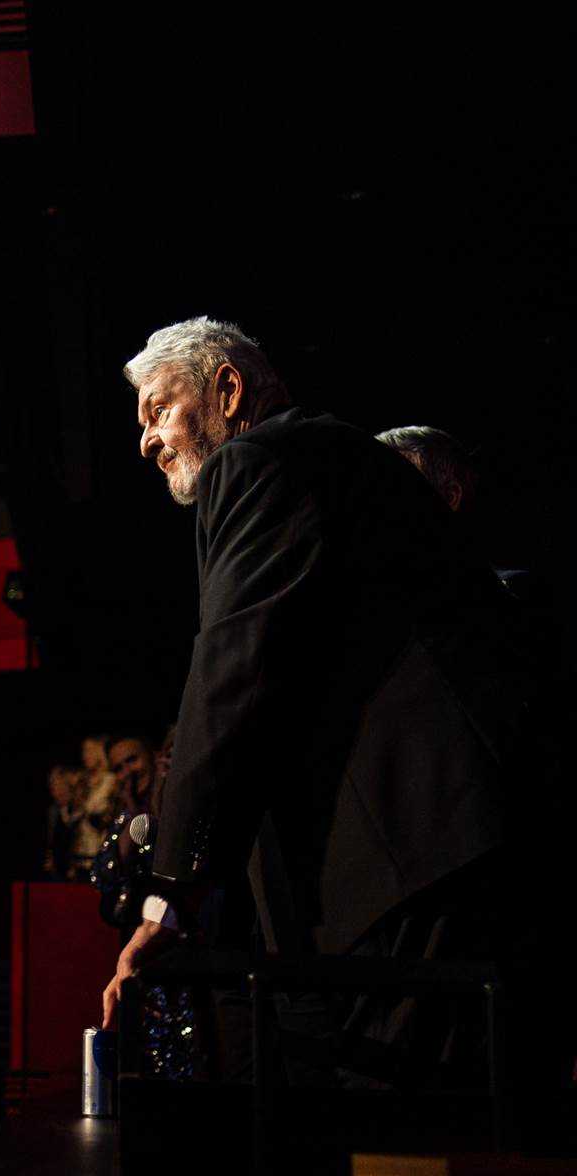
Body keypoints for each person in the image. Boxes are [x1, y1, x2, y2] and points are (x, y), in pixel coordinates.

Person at [100, 317, 555, 1097]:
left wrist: (165, 898)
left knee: (409, 1160)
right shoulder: (335, 462)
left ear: (228, 390)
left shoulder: (260, 460)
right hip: (461, 857)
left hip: (413, 872)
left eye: (157, 411)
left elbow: (231, 677)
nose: (145, 442)